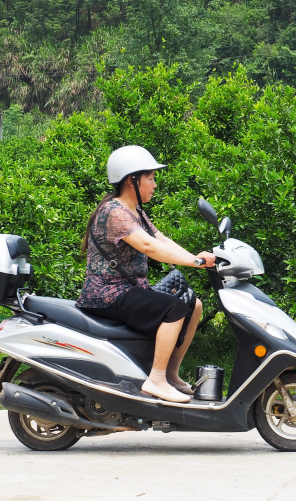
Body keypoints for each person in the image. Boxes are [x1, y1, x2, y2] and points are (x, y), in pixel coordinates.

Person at [75, 145, 215, 403]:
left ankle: (170, 374)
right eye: (150, 178)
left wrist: (197, 258)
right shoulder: (115, 212)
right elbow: (149, 247)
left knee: (193, 304)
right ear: (132, 180)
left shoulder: (134, 210)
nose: (154, 184)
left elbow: (161, 239)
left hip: (128, 290)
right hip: (108, 293)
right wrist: (194, 261)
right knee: (173, 308)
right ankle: (156, 379)